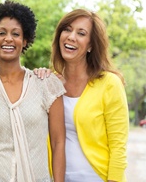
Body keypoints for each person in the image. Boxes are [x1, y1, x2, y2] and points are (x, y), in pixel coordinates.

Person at [0, 0, 66, 182]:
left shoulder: (46, 84)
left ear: (25, 40)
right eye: (1, 33)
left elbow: (58, 143)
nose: (8, 39)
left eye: (16, 34)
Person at [50, 9, 129, 182]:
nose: (71, 37)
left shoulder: (109, 83)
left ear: (91, 45)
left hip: (96, 177)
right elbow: (15, 77)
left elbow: (118, 146)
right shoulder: (49, 81)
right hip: (54, 177)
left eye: (81, 33)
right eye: (67, 29)